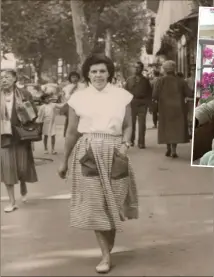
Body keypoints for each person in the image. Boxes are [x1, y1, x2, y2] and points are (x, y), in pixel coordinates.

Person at [58, 54, 138, 273]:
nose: (98, 75)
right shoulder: (78, 98)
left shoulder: (123, 96)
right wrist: (63, 161)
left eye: (102, 71)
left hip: (115, 151)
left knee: (113, 203)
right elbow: (72, 132)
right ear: (87, 74)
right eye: (93, 71)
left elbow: (129, 125)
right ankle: (105, 256)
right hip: (87, 152)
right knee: (95, 205)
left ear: (109, 73)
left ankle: (108, 248)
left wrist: (125, 145)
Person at [1, 65, 38, 212]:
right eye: (2, 77)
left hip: (21, 135)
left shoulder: (24, 94)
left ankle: (23, 182)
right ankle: (12, 201)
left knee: (22, 167)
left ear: (14, 79)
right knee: (7, 168)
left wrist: (25, 110)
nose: (4, 80)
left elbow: (33, 115)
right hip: (3, 137)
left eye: (7, 77)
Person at [153, 60, 191, 157]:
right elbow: (189, 93)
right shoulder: (181, 81)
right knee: (176, 129)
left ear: (165, 69)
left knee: (167, 128)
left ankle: (168, 148)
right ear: (174, 69)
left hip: (165, 109)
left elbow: (155, 95)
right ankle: (174, 150)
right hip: (178, 109)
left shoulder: (160, 81)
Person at [125, 62, 152, 148]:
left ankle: (141, 142)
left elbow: (149, 93)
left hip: (142, 103)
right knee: (131, 123)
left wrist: (149, 105)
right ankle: (131, 140)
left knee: (142, 124)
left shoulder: (146, 80)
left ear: (142, 69)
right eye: (135, 67)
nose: (136, 69)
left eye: (138, 67)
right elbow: (125, 93)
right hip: (132, 103)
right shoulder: (129, 80)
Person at [61, 71, 86, 137]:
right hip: (71, 108)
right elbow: (67, 98)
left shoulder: (83, 86)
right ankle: (68, 136)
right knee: (70, 122)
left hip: (82, 107)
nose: (74, 79)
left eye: (75, 77)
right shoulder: (67, 87)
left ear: (78, 78)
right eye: (72, 77)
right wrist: (72, 90)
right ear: (70, 78)